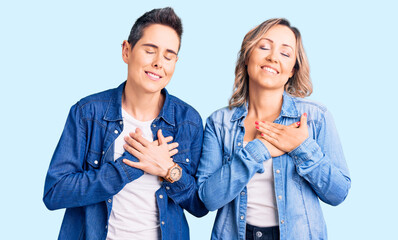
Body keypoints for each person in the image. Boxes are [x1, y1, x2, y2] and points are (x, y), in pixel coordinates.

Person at [43, 7, 207, 240]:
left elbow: (199, 206)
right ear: (126, 51)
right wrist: (127, 168)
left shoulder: (187, 121)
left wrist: (168, 170)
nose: (159, 63)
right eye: (150, 51)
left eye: (169, 56)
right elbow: (54, 192)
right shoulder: (87, 113)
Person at [197, 18, 351, 240]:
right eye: (264, 47)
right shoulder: (219, 123)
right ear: (248, 56)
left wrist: (301, 147)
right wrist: (258, 150)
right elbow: (208, 199)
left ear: (292, 71)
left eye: (285, 54)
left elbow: (338, 193)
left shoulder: (316, 118)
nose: (273, 57)